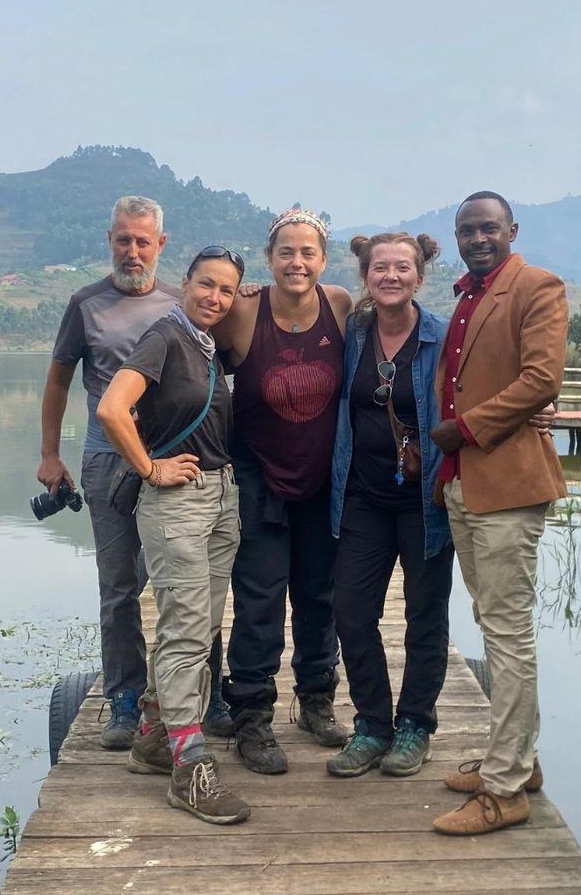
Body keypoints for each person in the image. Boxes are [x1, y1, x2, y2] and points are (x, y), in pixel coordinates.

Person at [40, 196, 229, 750]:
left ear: (161, 245)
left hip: (178, 461)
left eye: (143, 241)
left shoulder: (185, 303)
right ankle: (123, 700)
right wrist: (50, 456)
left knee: (189, 582)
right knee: (120, 586)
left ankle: (205, 693)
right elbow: (57, 382)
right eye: (123, 239)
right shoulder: (85, 304)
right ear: (110, 239)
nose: (133, 250)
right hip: (108, 463)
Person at [427, 191, 568, 836]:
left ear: (512, 230)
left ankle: (505, 790)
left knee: (508, 635)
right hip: (464, 485)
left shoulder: (537, 287)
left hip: (506, 483)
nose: (478, 238)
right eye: (467, 230)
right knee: (494, 623)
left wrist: (465, 429)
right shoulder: (468, 296)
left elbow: (542, 380)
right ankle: (519, 762)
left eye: (489, 228)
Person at [95, 246, 250, 825]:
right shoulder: (164, 336)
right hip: (176, 501)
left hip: (220, 494)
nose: (214, 297)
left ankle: (154, 737)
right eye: (205, 285)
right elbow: (113, 409)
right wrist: (150, 468)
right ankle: (189, 765)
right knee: (186, 630)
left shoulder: (207, 346)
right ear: (183, 284)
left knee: (199, 624)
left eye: (226, 291)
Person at [214, 209, 354, 774]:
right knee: (258, 601)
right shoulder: (242, 312)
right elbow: (187, 347)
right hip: (258, 480)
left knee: (321, 597)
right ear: (268, 259)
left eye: (308, 253)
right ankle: (251, 716)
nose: (297, 263)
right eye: (286, 253)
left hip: (323, 482)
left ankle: (317, 699)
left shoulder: (341, 307)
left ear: (323, 259)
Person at [323, 233, 455, 778]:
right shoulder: (352, 335)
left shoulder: (442, 339)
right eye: (381, 268)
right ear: (366, 275)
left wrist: (540, 414)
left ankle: (415, 725)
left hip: (426, 503)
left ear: (420, 276)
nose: (391, 276)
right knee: (351, 611)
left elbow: (485, 389)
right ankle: (373, 724)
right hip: (363, 497)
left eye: (403, 267)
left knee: (426, 616)